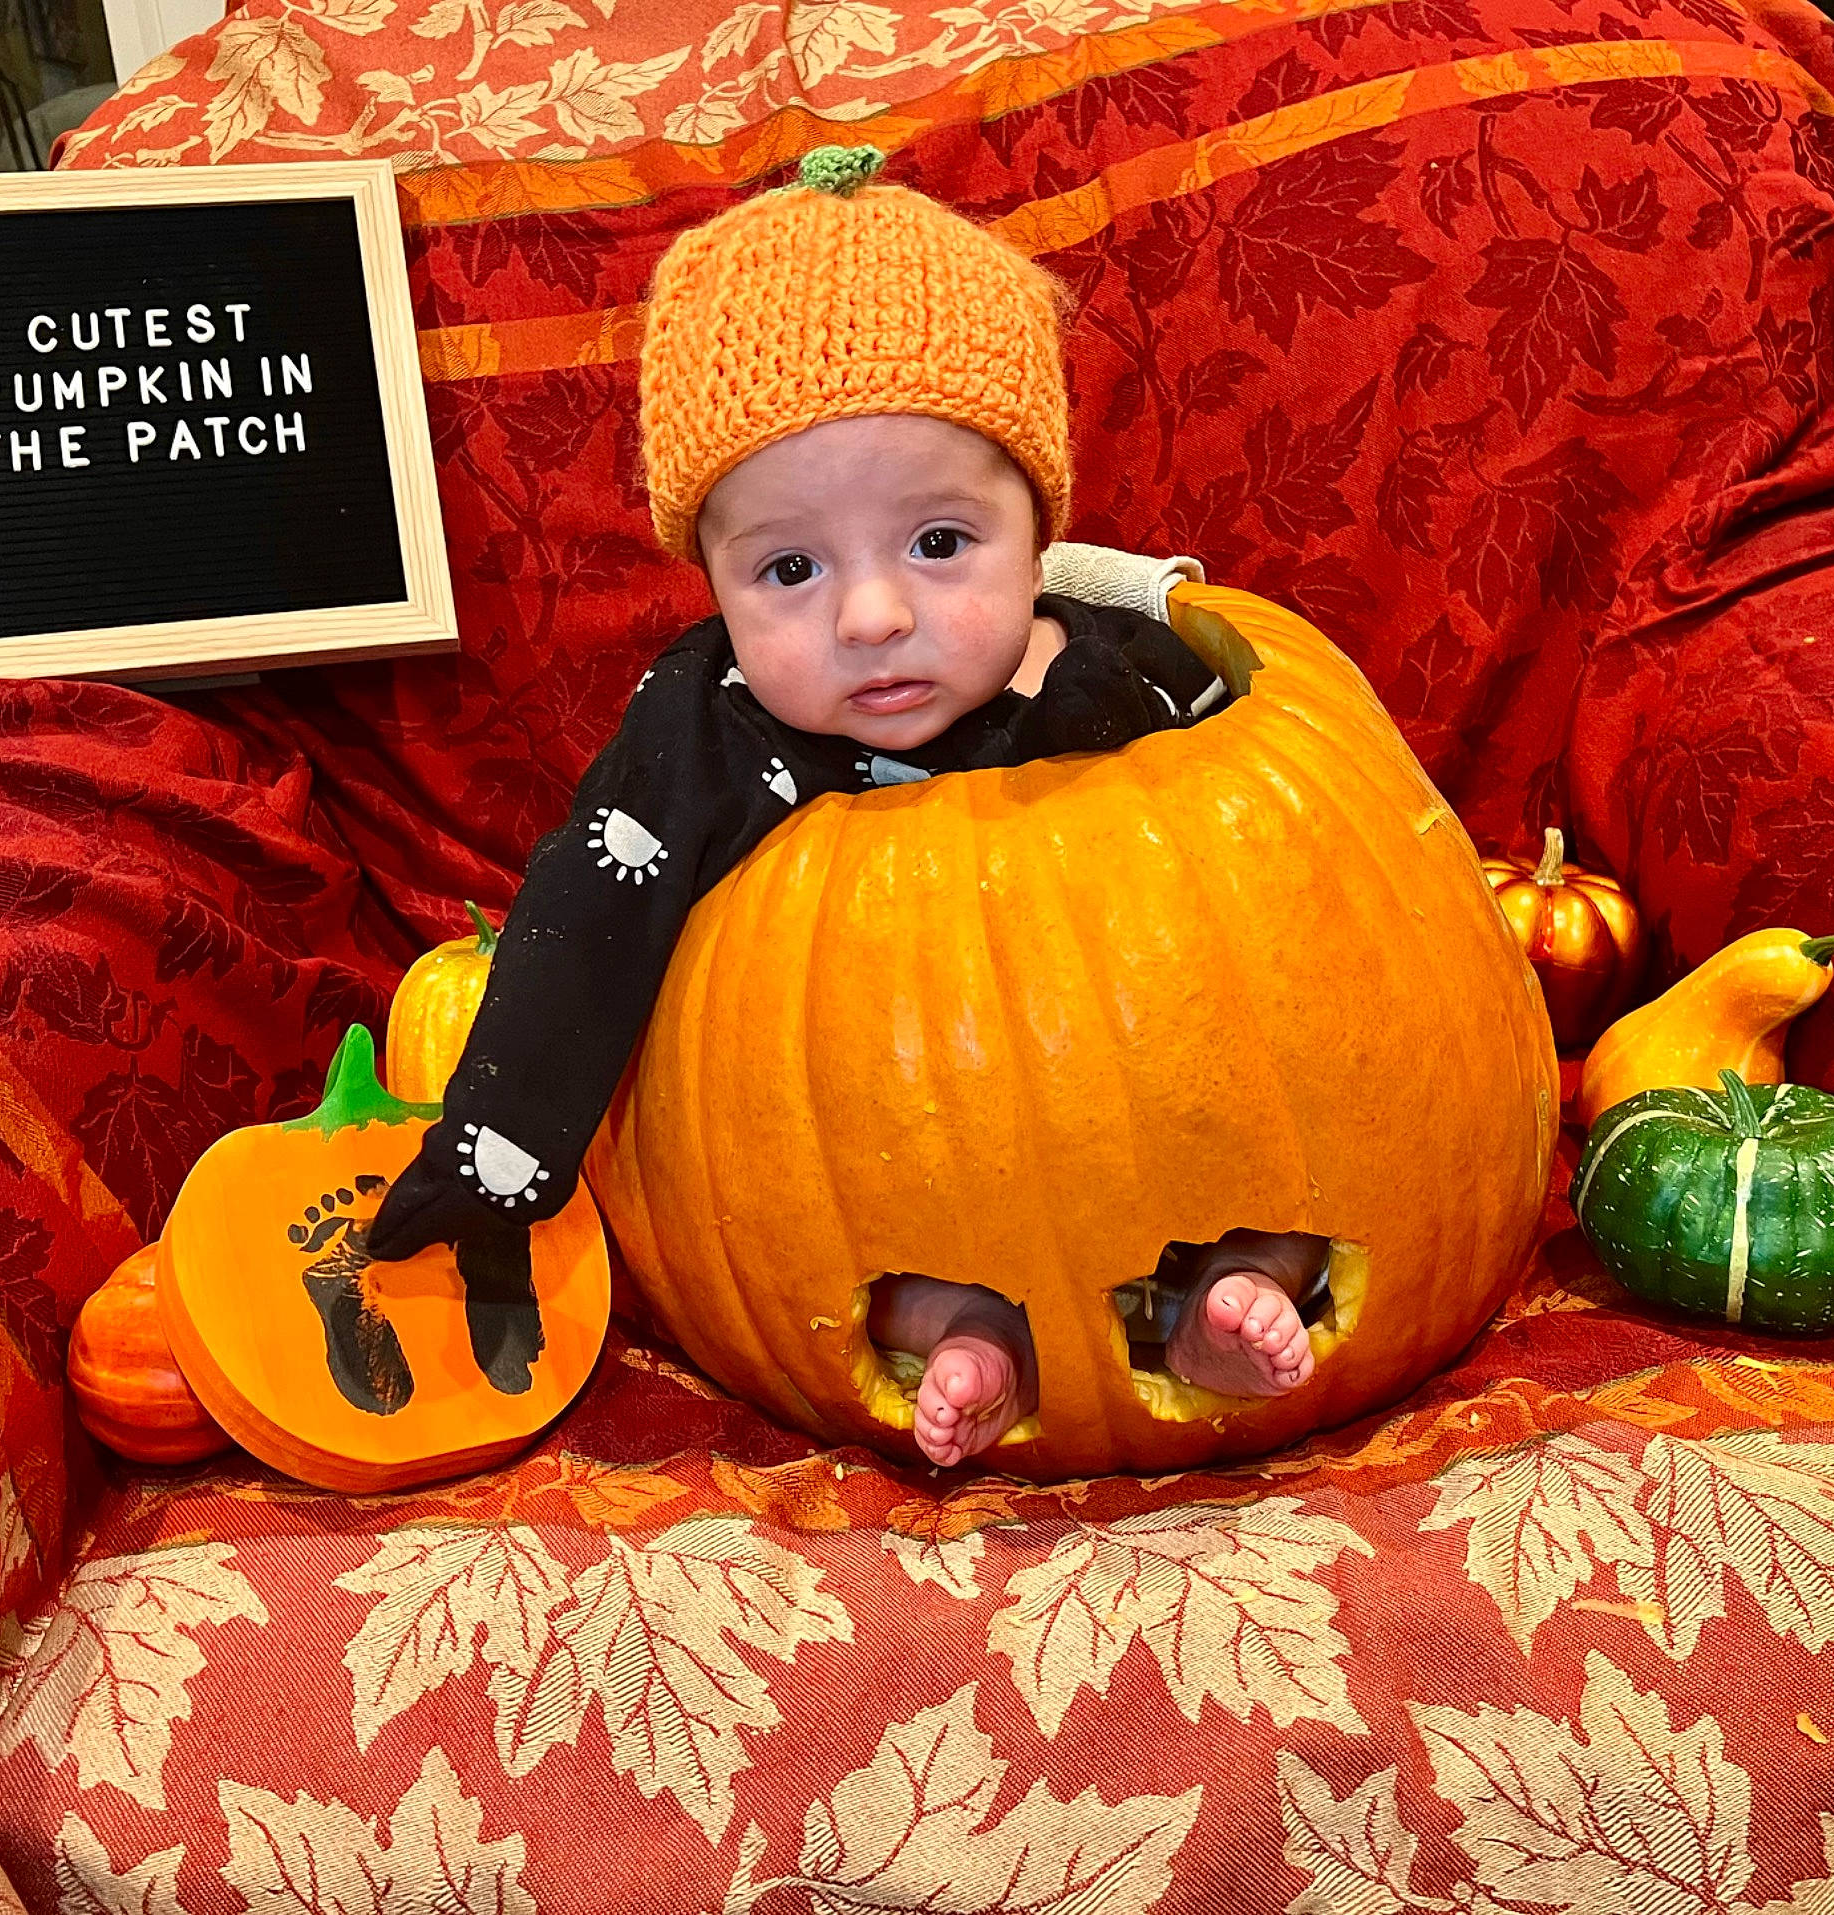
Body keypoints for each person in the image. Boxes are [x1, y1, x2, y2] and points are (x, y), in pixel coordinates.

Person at [368, 145, 1327, 1466]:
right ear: (711, 581)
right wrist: (491, 1162)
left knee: (1279, 1185)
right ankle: (974, 1343)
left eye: (941, 544)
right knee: (902, 1281)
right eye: (792, 568)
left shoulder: (1125, 678)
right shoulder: (703, 736)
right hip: (906, 1170)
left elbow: (1296, 899)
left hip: (1150, 1127)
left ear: (1036, 533)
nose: (875, 616)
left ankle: (1232, 1298)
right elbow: (583, 927)